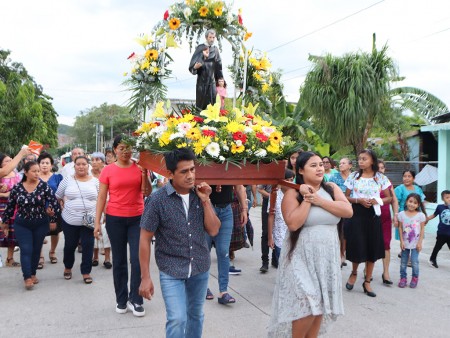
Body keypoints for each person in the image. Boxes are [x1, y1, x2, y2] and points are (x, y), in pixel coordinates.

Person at [268, 152, 352, 337]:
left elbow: (347, 210)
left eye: (321, 164)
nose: (320, 168)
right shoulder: (292, 193)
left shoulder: (330, 188)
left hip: (326, 258)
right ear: (300, 170)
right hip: (300, 257)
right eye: (313, 165)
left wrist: (318, 200)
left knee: (320, 306)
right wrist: (306, 198)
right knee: (307, 305)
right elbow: (293, 223)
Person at [139, 148, 221, 338]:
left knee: (196, 316)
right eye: (184, 172)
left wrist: (206, 201)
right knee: (177, 319)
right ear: (170, 174)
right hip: (171, 269)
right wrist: (145, 277)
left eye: (192, 169)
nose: (190, 176)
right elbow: (144, 238)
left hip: (200, 267)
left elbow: (214, 229)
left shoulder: (200, 195)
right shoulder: (157, 200)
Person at [94, 135, 152, 316]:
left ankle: (136, 299)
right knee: (118, 261)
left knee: (136, 260)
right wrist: (97, 222)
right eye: (121, 148)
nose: (126, 151)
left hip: (137, 218)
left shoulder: (140, 167)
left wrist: (144, 173)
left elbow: (147, 192)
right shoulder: (108, 170)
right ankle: (121, 299)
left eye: (129, 148)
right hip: (114, 219)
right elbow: (102, 197)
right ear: (114, 151)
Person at [0, 161, 59, 289]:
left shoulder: (44, 187)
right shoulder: (17, 188)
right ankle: (27, 277)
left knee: (36, 249)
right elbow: (10, 207)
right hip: (22, 224)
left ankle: (33, 273)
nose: (37, 173)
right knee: (26, 249)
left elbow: (54, 203)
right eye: (34, 171)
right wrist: (4, 222)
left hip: (40, 223)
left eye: (38, 171)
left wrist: (53, 217)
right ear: (25, 172)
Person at [344, 149, 392, 297]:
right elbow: (345, 197)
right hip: (357, 214)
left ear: (372, 161)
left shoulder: (380, 178)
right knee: (358, 246)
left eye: (364, 159)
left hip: (373, 215)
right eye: (359, 159)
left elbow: (389, 198)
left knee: (372, 248)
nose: (361, 161)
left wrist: (375, 200)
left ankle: (367, 282)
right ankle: (353, 273)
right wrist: (358, 200)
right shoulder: (353, 176)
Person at [56, 156, 98, 284]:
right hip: (70, 219)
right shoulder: (67, 180)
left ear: (88, 166)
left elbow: (103, 198)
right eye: (78, 164)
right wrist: (63, 206)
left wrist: (102, 215)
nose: (81, 166)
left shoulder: (95, 181)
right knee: (70, 245)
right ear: (74, 166)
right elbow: (58, 195)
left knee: (88, 245)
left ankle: (86, 272)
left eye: (84, 164)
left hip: (89, 218)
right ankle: (68, 267)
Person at [205, 184, 247, 304]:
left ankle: (223, 291)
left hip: (226, 209)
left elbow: (238, 186)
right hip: (207, 207)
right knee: (204, 250)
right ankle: (203, 287)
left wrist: (244, 209)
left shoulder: (232, 165)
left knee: (223, 251)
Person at [37, 152, 64, 269]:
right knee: (39, 233)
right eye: (42, 163)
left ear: (51, 165)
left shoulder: (57, 177)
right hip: (37, 209)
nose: (44, 165)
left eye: (47, 163)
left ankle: (52, 252)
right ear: (38, 164)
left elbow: (62, 192)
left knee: (55, 231)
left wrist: (63, 202)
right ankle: (40, 255)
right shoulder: (34, 177)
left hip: (55, 209)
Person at [189, 29, 223, 110]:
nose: (212, 39)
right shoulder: (200, 48)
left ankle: (211, 122)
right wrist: (196, 65)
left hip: (212, 82)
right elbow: (193, 64)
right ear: (206, 37)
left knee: (212, 104)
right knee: (201, 104)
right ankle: (200, 121)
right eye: (210, 37)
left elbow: (218, 65)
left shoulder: (215, 49)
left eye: (213, 37)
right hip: (202, 81)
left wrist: (220, 78)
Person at [0, 153, 24, 267]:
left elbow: (21, 189)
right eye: (7, 161)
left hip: (14, 207)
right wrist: (3, 194)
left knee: (11, 233)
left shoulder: (17, 175)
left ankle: (9, 258)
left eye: (11, 160)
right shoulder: (1, 175)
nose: (10, 163)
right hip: (1, 207)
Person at [394, 170, 426, 256]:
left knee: (415, 233)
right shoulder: (399, 189)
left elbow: (422, 201)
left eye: (409, 176)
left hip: (416, 217)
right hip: (404, 218)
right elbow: (395, 202)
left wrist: (425, 215)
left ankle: (410, 253)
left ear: (413, 178)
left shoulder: (418, 189)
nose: (406, 178)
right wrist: (396, 217)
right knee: (406, 234)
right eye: (404, 176)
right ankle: (405, 254)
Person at [377, 160, 399, 285]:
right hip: (371, 218)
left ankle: (386, 273)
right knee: (371, 244)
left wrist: (396, 214)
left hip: (385, 218)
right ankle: (367, 270)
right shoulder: (369, 182)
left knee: (386, 244)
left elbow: (394, 200)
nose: (380, 170)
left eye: (382, 168)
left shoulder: (387, 182)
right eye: (378, 168)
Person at [397, 193, 426, 288]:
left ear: (418, 205)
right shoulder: (401, 214)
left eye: (415, 203)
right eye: (410, 201)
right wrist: (401, 241)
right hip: (405, 243)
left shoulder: (420, 216)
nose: (412, 204)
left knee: (414, 262)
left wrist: (420, 243)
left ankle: (414, 278)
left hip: (415, 244)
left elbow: (422, 230)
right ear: (406, 202)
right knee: (403, 262)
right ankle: (403, 278)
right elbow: (400, 228)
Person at [267, 168, 295, 262]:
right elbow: (271, 216)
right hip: (279, 233)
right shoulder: (275, 194)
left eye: (291, 180)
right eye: (287, 180)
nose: (289, 182)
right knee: (282, 261)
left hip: (293, 233)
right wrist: (270, 237)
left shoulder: (296, 194)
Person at [90, 152, 112, 269]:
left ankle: (107, 258)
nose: (94, 162)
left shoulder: (107, 173)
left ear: (102, 162)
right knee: (94, 230)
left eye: (97, 160)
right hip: (92, 207)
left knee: (106, 232)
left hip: (108, 204)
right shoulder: (88, 174)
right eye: (92, 160)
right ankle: (95, 257)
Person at [427, 190, 450, 268]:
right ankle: (432, 259)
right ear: (443, 199)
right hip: (442, 232)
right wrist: (426, 219)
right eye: (447, 197)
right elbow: (434, 215)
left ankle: (432, 259)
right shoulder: (440, 207)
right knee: (438, 247)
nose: (449, 199)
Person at [257, 184, 277, 271]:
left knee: (280, 231)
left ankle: (275, 258)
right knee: (265, 232)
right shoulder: (268, 174)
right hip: (267, 202)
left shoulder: (287, 173)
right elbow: (260, 189)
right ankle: (265, 262)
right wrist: (272, 196)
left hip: (283, 201)